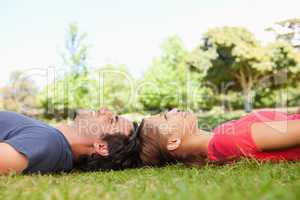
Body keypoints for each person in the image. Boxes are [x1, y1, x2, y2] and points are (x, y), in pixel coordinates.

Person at [138, 108, 300, 167]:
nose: (173, 110)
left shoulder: (220, 133)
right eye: (167, 117)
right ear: (173, 142)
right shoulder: (226, 140)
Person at [0, 108, 141, 175]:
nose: (105, 110)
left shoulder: (48, 142)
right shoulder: (51, 136)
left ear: (101, 146)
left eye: (111, 120)